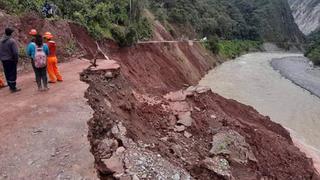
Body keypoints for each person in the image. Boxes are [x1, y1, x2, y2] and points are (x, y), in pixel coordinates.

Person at [0, 28, 20, 93]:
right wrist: (16, 59)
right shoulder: (12, 41)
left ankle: (10, 85)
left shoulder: (0, 41)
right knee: (12, 73)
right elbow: (15, 52)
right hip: (11, 60)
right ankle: (13, 87)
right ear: (11, 33)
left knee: (7, 73)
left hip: (4, 60)